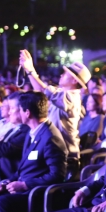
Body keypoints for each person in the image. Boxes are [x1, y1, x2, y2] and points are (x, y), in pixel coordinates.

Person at [18, 49, 89, 177]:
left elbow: (42, 90)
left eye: (65, 73)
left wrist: (30, 70)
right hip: (53, 151)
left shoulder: (72, 97)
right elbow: (42, 91)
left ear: (74, 81)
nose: (61, 75)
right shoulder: (64, 94)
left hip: (65, 157)